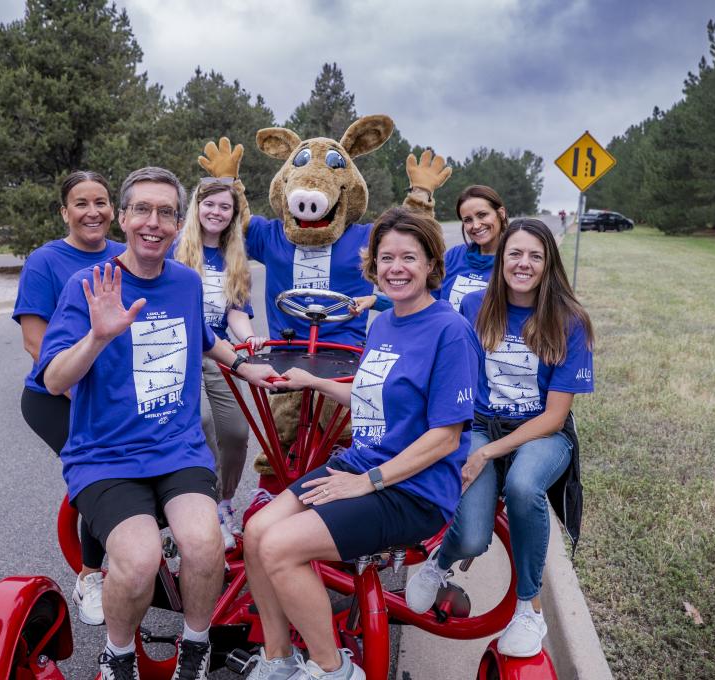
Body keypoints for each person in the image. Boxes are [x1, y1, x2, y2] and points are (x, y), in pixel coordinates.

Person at [35, 167, 278, 680]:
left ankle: (195, 647)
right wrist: (98, 336)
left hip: (177, 449)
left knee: (206, 542)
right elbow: (55, 379)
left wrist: (243, 364)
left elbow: (207, 337)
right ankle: (118, 656)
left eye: (166, 212)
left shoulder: (187, 282)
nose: (153, 222)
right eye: (142, 209)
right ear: (123, 218)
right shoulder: (91, 284)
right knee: (141, 557)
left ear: (176, 222)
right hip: (107, 456)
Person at [242, 208, 481, 680]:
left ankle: (332, 669)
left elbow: (445, 437)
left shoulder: (450, 331)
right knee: (255, 532)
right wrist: (313, 382)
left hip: (412, 489)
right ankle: (277, 659)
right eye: (386, 257)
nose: (396, 267)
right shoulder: (386, 324)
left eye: (409, 257)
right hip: (362, 465)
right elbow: (371, 396)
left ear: (432, 263)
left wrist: (367, 483)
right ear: (373, 265)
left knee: (281, 547)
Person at [405, 218, 594, 658]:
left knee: (524, 485)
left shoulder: (570, 320)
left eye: (535, 255)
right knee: (472, 537)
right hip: (480, 425)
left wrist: (487, 453)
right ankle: (439, 563)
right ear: (501, 259)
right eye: (515, 254)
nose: (523, 264)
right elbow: (448, 370)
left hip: (541, 433)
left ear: (549, 263)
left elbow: (554, 415)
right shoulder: (474, 306)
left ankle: (528, 610)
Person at [12, 170, 125, 626]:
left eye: (100, 201)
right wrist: (88, 390)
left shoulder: (126, 253)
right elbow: (36, 343)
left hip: (116, 393)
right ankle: (91, 575)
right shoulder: (45, 262)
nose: (92, 211)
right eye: (81, 203)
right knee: (102, 469)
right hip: (55, 396)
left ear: (113, 209)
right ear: (64, 212)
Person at [175, 178, 267, 551]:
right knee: (202, 422)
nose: (216, 212)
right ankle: (208, 506)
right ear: (197, 207)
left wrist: (249, 338)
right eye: (209, 204)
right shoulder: (175, 253)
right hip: (182, 355)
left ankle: (226, 499)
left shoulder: (234, 258)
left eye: (224, 207)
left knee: (236, 433)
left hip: (221, 353)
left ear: (233, 215)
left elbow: (235, 313)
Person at [355, 184, 507, 314]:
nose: (476, 225)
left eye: (482, 215)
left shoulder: (515, 262)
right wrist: (376, 300)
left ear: (501, 213)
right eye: (467, 220)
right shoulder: (454, 257)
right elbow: (424, 300)